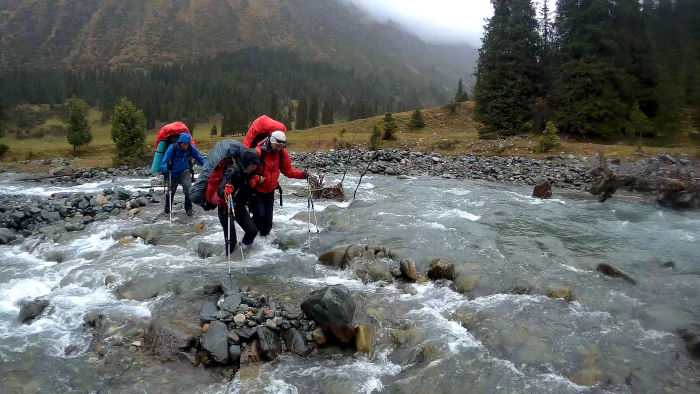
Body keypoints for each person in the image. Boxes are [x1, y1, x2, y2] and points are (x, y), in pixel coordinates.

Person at [250, 130, 309, 238]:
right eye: (277, 146)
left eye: (281, 146)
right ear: (271, 142)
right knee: (259, 215)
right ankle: (250, 235)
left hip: (270, 191)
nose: (279, 148)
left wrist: (303, 174)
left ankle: (262, 245)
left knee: (268, 223)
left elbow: (288, 171)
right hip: (256, 190)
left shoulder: (282, 153)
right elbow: (247, 171)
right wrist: (257, 178)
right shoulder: (258, 152)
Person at [217, 149, 260, 254]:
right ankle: (229, 259)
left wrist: (252, 186)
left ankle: (245, 251)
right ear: (246, 163)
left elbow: (244, 190)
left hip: (239, 207)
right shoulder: (232, 171)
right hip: (226, 207)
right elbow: (220, 191)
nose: (254, 167)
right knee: (231, 240)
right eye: (253, 165)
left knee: (252, 231)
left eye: (255, 165)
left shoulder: (249, 173)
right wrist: (225, 191)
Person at [160, 133, 206, 216]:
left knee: (188, 189)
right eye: (184, 144)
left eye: (187, 144)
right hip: (173, 173)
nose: (186, 146)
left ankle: (188, 208)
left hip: (185, 172)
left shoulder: (191, 148)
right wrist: (167, 167)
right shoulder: (172, 148)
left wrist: (208, 166)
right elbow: (162, 163)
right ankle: (167, 209)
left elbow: (200, 158)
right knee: (171, 192)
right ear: (179, 143)